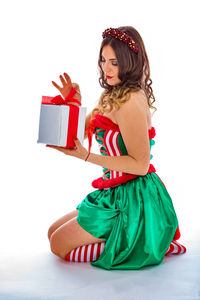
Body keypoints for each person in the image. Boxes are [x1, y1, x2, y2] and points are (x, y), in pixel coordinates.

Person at [46, 26, 186, 270]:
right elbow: (78, 136)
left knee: (59, 245)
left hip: (135, 196)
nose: (106, 68)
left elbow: (140, 165)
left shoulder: (131, 101)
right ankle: (126, 237)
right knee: (52, 233)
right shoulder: (112, 94)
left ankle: (135, 239)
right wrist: (73, 102)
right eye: (103, 60)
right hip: (113, 192)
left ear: (130, 62)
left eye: (114, 62)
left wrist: (88, 156)